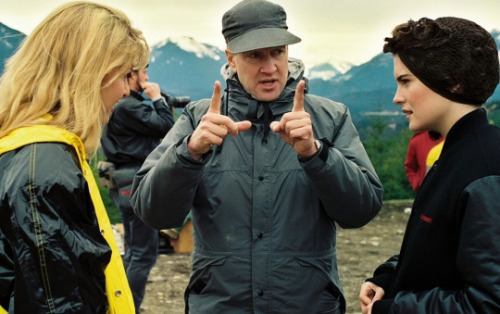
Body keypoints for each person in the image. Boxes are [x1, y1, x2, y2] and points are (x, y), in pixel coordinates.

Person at [131, 0, 383, 312]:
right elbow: (152, 212)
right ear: (230, 58)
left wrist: (316, 155)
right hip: (220, 305)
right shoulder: (199, 120)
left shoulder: (329, 118)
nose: (270, 67)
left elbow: (362, 210)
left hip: (307, 304)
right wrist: (189, 154)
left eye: (277, 51)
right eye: (254, 55)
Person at [0, 1, 150, 313]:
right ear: (91, 74)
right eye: (124, 75)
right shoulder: (45, 167)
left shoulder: (22, 149)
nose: (126, 91)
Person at [359, 17, 500, 314]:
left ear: (452, 80)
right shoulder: (454, 155)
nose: (397, 98)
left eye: (406, 81)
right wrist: (389, 278)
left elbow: (487, 303)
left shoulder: (485, 172)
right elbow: (438, 256)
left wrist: (392, 309)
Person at [100, 63, 175, 312]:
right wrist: (156, 98)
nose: (147, 77)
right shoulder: (130, 106)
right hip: (136, 180)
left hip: (121, 180)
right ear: (130, 75)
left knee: (133, 250)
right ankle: (129, 308)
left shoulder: (120, 105)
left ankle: (121, 305)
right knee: (144, 253)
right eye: (143, 72)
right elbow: (166, 126)